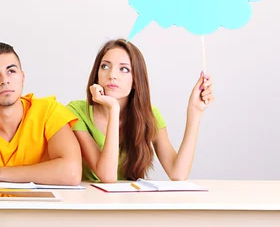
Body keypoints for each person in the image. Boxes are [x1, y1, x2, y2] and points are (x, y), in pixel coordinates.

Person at [66, 39, 214, 182]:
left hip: (130, 203)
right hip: (87, 203)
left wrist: (195, 111)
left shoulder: (149, 115)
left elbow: (178, 173)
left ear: (136, 79)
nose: (112, 75)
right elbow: (107, 176)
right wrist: (113, 109)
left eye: (124, 69)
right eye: (105, 66)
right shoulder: (76, 112)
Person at [0, 42, 82, 187]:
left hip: (43, 208)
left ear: (22, 77)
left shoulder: (48, 111)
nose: (4, 81)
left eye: (11, 71)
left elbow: (72, 173)